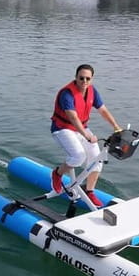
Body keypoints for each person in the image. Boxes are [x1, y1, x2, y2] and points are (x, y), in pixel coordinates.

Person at [50, 64, 122, 207]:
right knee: (78, 156)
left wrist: (116, 127)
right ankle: (57, 174)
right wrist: (87, 136)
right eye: (81, 78)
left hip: (81, 128)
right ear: (75, 78)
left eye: (87, 78)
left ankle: (89, 191)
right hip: (62, 128)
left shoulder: (92, 91)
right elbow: (73, 118)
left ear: (92, 79)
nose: (84, 81)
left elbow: (103, 110)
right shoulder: (67, 94)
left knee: (97, 159)